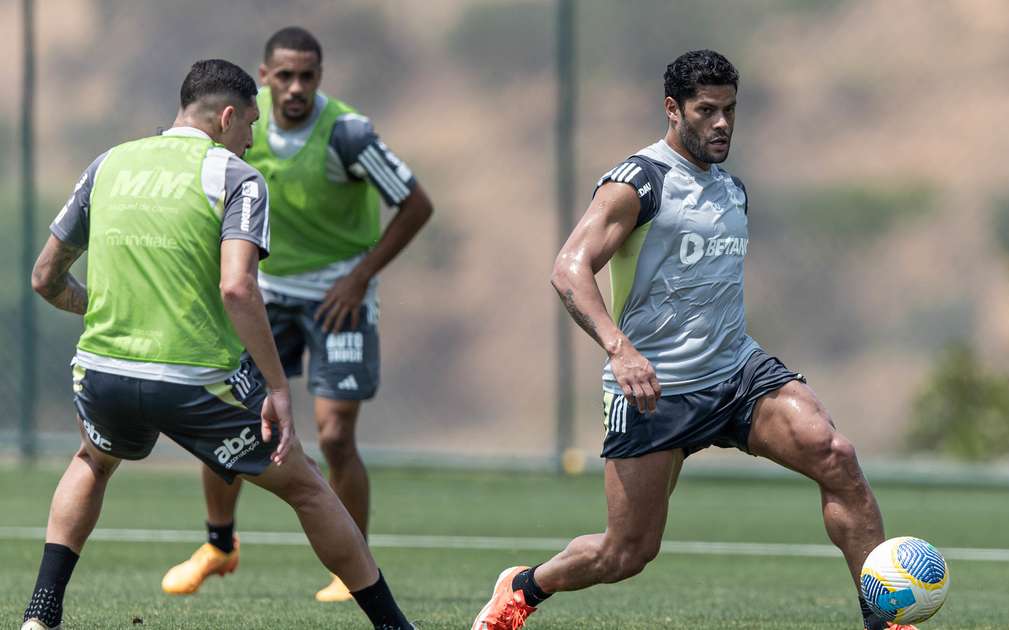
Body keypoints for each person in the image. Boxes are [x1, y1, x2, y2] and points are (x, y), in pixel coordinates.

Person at [469, 49, 912, 630]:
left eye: (730, 109)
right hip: (657, 389)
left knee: (836, 455)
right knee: (626, 554)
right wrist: (619, 349)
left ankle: (887, 620)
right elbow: (568, 269)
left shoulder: (733, 190)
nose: (723, 123)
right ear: (673, 110)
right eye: (707, 110)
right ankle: (525, 586)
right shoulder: (637, 183)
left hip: (737, 375)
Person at [20, 59, 415, 630]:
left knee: (92, 460)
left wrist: (99, 306)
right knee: (307, 488)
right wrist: (278, 387)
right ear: (228, 117)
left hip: (103, 372)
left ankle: (40, 613)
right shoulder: (233, 175)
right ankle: (393, 626)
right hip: (194, 382)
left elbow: (44, 277)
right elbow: (237, 286)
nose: (252, 139)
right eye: (250, 125)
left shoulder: (109, 164)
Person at [161, 27, 433, 603]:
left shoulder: (349, 135)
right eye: (284, 76)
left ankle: (351, 564)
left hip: (340, 297)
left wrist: (358, 278)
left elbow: (416, 204)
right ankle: (218, 544)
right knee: (226, 420)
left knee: (335, 436)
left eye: (308, 76)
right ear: (263, 78)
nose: (296, 87)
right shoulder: (240, 133)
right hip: (265, 293)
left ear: (320, 78)